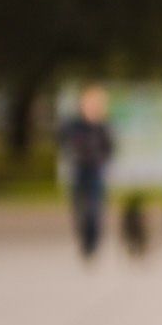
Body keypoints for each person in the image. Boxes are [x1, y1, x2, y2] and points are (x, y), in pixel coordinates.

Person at [58, 84, 114, 260]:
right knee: (79, 208)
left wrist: (102, 159)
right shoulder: (74, 125)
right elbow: (64, 141)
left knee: (94, 209)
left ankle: (92, 242)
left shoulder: (102, 126)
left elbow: (110, 147)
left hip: (96, 170)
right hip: (80, 169)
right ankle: (84, 240)